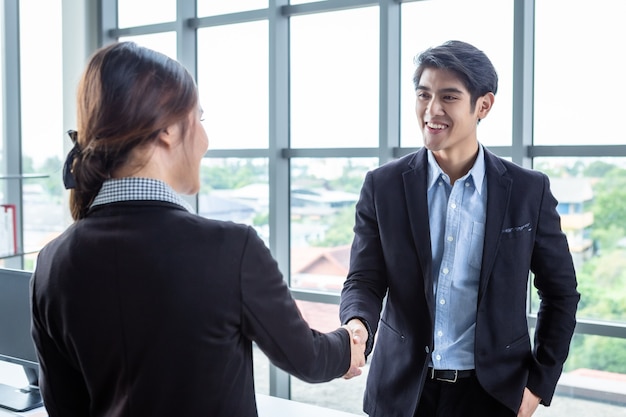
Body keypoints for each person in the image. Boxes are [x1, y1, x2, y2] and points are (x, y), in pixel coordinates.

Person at [30, 41, 365, 417]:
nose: (204, 141)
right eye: (199, 119)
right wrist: (351, 342)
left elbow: (63, 407)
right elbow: (307, 357)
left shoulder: (51, 262)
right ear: (169, 131)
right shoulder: (230, 248)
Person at [340, 40, 580, 417]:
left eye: (448, 97)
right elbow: (364, 280)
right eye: (423, 95)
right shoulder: (382, 185)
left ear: (483, 105)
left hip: (492, 395)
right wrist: (356, 324)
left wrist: (538, 385)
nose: (431, 110)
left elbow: (561, 293)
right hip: (401, 393)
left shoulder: (527, 191)